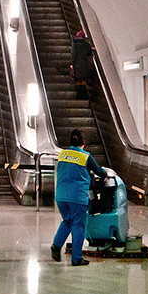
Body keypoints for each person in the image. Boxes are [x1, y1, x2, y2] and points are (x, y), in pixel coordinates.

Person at [50, 129, 108, 266]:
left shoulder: (62, 154)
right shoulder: (85, 156)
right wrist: (107, 173)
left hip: (61, 196)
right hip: (77, 196)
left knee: (67, 220)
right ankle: (76, 258)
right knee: (78, 225)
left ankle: (56, 245)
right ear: (83, 142)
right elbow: (99, 172)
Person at [70, 30, 95, 99]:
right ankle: (84, 96)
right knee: (83, 80)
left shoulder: (75, 45)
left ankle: (79, 95)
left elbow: (73, 55)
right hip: (84, 65)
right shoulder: (86, 45)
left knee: (77, 80)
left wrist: (72, 63)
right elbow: (89, 53)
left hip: (77, 65)